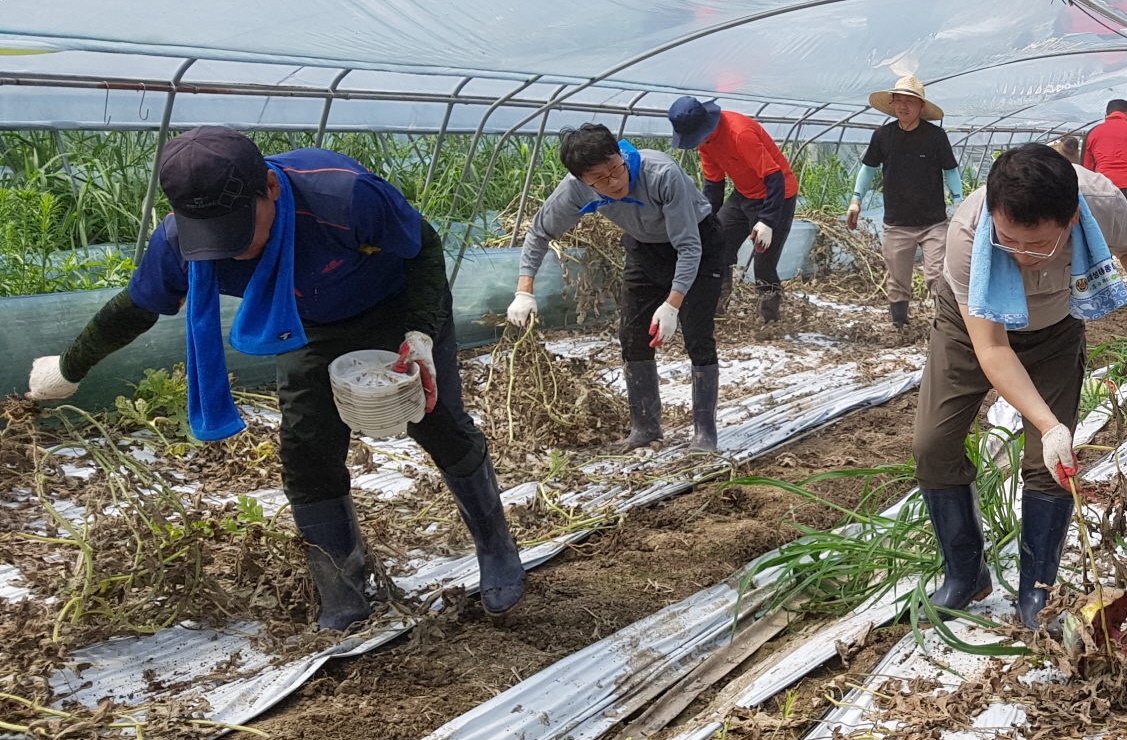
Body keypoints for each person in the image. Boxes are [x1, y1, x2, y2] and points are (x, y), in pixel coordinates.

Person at [25, 127, 523, 629]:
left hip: (394, 309)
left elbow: (423, 246)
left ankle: (496, 550)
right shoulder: (178, 242)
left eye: (240, 231)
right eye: (214, 237)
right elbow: (137, 306)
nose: (234, 252)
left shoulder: (343, 196)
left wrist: (421, 333)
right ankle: (344, 593)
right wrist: (69, 368)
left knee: (438, 422)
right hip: (302, 325)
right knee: (306, 449)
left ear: (271, 186)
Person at [915, 143, 1127, 624]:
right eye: (1009, 241)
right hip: (973, 328)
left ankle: (1037, 594)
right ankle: (964, 575)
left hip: (1053, 327)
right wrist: (1048, 422)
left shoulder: (1099, 199)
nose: (1024, 256)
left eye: (1040, 245)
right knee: (933, 443)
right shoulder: (969, 233)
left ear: (1072, 219)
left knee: (1051, 464)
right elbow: (991, 350)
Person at [511, 123, 727, 451]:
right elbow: (540, 232)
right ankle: (645, 427)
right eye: (599, 179)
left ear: (620, 156)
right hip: (644, 248)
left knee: (696, 334)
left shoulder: (661, 174)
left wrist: (672, 304)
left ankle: (704, 434)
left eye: (615, 169)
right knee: (633, 336)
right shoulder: (574, 189)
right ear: (583, 180)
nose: (613, 182)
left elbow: (689, 247)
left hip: (697, 242)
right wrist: (524, 290)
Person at [845, 74, 962, 330]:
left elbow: (950, 170)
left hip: (934, 222)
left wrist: (958, 202)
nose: (903, 106)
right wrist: (856, 200)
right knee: (898, 279)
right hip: (897, 222)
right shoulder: (883, 136)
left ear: (921, 106)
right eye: (899, 101)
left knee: (937, 275)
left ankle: (945, 324)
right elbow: (868, 168)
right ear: (893, 104)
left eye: (910, 101)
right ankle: (900, 325)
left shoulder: (935, 136)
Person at [667, 95, 797, 323]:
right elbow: (714, 185)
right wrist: (705, 220)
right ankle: (717, 308)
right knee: (718, 244)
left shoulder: (740, 134)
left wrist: (767, 220)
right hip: (743, 193)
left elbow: (774, 177)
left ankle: (771, 320)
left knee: (764, 262)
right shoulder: (705, 142)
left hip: (776, 195)